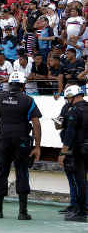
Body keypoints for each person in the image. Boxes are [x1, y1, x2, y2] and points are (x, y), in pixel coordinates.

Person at [0, 70, 42, 220]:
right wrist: (37, 146)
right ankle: (22, 213)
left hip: (4, 140)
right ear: (23, 85)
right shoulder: (28, 100)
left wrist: (2, 129)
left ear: (9, 84)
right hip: (22, 141)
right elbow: (36, 124)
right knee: (22, 172)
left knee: (1, 173)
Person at [59, 85, 88, 222]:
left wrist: (62, 153)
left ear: (73, 96)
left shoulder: (74, 111)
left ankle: (82, 212)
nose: (68, 100)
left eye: (68, 98)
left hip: (79, 150)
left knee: (80, 181)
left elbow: (70, 134)